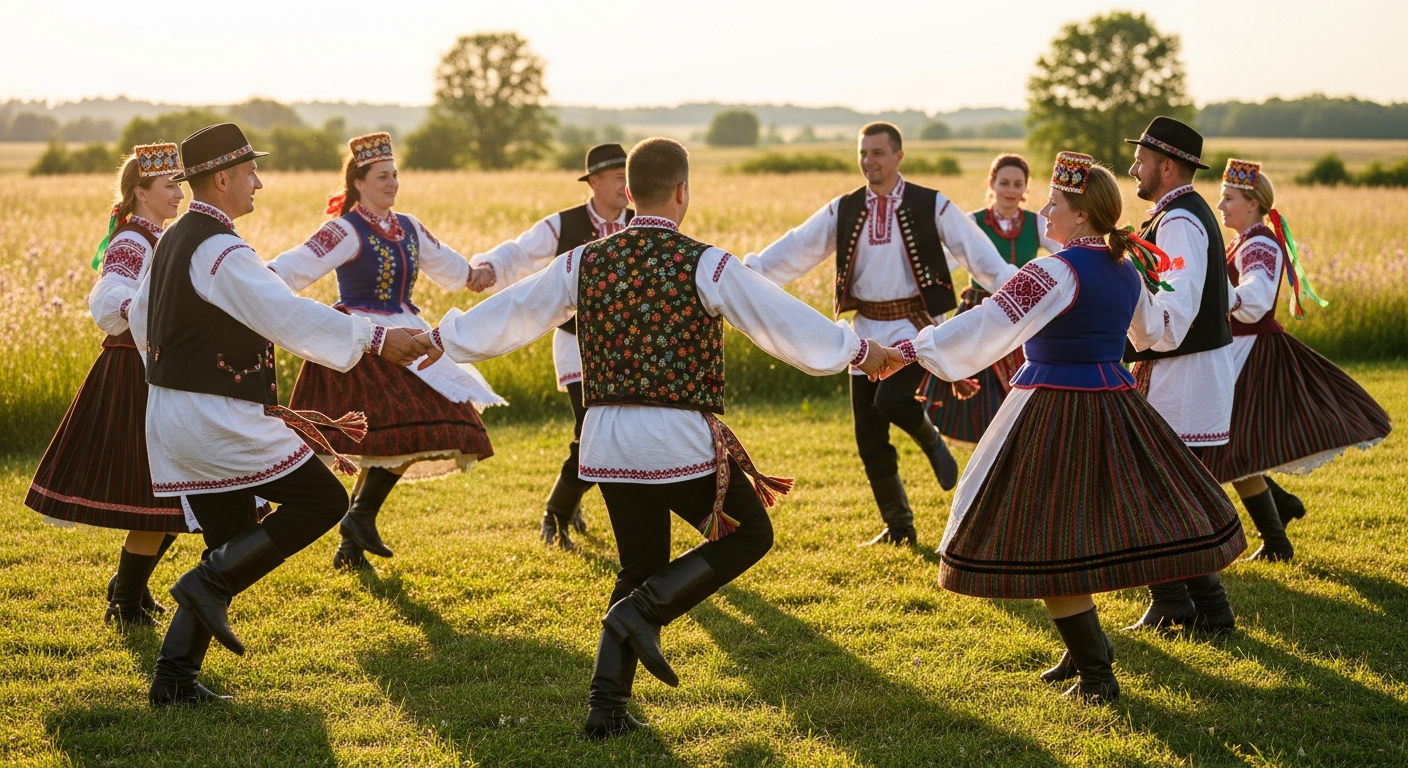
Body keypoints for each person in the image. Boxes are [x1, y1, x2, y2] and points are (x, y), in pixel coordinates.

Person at [413, 138, 889, 737]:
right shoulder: (705, 262)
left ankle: (605, 707)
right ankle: (640, 614)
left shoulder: (584, 260)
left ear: (630, 193)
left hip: (605, 437)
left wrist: (443, 337)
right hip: (673, 436)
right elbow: (780, 319)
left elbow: (516, 309)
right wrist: (859, 351)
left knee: (640, 562)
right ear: (683, 191)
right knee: (750, 533)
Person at [881, 153, 1245, 703]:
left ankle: (1097, 672)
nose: (1044, 212)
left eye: (1054, 204)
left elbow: (986, 324)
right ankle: (1082, 656)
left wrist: (907, 349)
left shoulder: (1056, 270)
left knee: (1045, 536)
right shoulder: (1127, 269)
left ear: (1079, 215)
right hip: (1114, 401)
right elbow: (1156, 335)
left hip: (1053, 403)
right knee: (1072, 526)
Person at [129, 123, 428, 705]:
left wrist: (181, 372)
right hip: (216, 418)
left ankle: (173, 680)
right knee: (323, 501)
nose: (258, 183)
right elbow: (283, 314)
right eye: (249, 173)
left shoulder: (174, 241)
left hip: (176, 414)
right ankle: (202, 587)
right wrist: (375, 338)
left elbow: (142, 321)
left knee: (233, 542)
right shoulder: (220, 249)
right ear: (222, 178)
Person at [745, 123, 1018, 546]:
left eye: (877, 153)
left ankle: (931, 440)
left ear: (898, 156)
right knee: (869, 441)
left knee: (890, 398)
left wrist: (1014, 287)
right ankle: (900, 528)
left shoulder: (933, 205)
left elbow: (977, 253)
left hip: (916, 329)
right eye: (863, 153)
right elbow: (799, 247)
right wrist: (752, 275)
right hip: (865, 335)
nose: (869, 161)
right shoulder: (845, 208)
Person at [268, 132, 501, 571]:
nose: (392, 183)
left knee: (420, 426)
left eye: (395, 175)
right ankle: (359, 520)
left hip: (408, 332)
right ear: (359, 182)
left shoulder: (408, 226)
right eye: (382, 177)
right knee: (396, 430)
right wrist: (248, 282)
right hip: (363, 338)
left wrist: (478, 274)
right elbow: (295, 266)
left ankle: (354, 534)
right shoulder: (344, 229)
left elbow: (449, 266)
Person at [25, 143, 190, 627]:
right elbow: (109, 296)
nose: (178, 193)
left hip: (159, 372)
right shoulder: (132, 242)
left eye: (179, 184)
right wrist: (144, 316)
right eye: (169, 186)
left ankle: (128, 587)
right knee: (156, 497)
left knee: (182, 490)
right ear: (140, 191)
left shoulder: (159, 237)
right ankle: (126, 600)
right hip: (134, 376)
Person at [1201, 158, 1392, 559]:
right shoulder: (1245, 240)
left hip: (1250, 353)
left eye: (1228, 198)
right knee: (1235, 448)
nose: (1220, 206)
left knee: (1229, 447)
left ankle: (1266, 535)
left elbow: (1253, 300)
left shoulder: (1259, 243)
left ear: (1252, 203)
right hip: (1235, 350)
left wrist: (1211, 298)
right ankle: (1278, 523)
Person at [468, 143, 633, 549]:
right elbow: (521, 251)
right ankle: (555, 513)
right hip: (576, 344)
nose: (625, 185)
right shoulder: (565, 224)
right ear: (593, 182)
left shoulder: (640, 223)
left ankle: (569, 502)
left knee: (615, 431)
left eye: (628, 177)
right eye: (616, 177)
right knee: (591, 430)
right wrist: (489, 266)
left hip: (626, 348)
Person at [1120, 117, 1240, 634]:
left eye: (1142, 161)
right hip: (1178, 366)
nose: (1134, 168)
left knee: (1166, 490)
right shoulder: (1175, 215)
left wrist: (1146, 335)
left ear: (1167, 166)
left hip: (1181, 371)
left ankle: (1210, 608)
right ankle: (1172, 600)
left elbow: (1179, 303)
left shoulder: (1180, 221)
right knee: (1159, 488)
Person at [922, 153, 1063, 445]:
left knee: (1020, 388)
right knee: (981, 391)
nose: (1011, 190)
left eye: (1018, 184)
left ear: (1026, 188)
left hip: (1022, 312)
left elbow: (1066, 253)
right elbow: (944, 265)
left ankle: (1011, 445)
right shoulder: (971, 222)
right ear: (992, 184)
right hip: (980, 310)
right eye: (1004, 183)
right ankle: (981, 450)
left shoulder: (1036, 222)